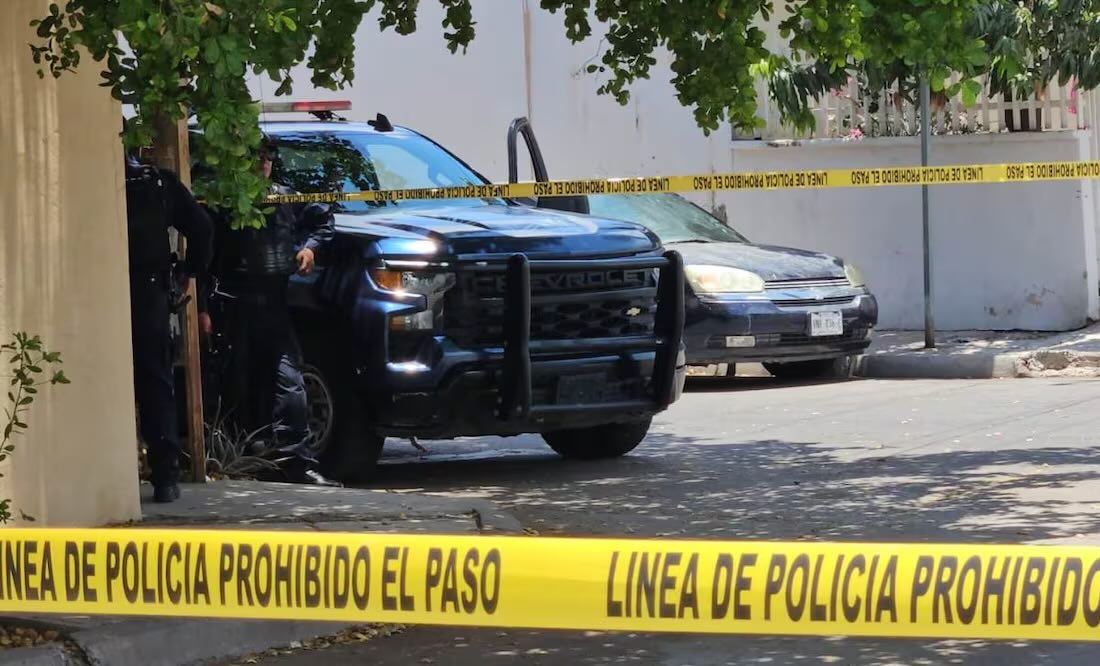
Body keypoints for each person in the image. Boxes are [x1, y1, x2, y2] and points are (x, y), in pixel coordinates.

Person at [200, 136, 339, 486]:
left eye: (267, 156)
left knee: (289, 385)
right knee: (237, 385)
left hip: (274, 303)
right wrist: (201, 307)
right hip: (233, 305)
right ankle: (240, 460)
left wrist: (309, 247)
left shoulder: (284, 196)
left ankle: (296, 462)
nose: (263, 162)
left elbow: (323, 221)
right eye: (256, 157)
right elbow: (203, 255)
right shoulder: (224, 202)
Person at [124, 147, 213, 503]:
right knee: (155, 380)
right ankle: (164, 478)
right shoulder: (156, 183)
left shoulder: (89, 180)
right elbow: (203, 227)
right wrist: (190, 271)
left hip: (99, 287)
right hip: (148, 291)